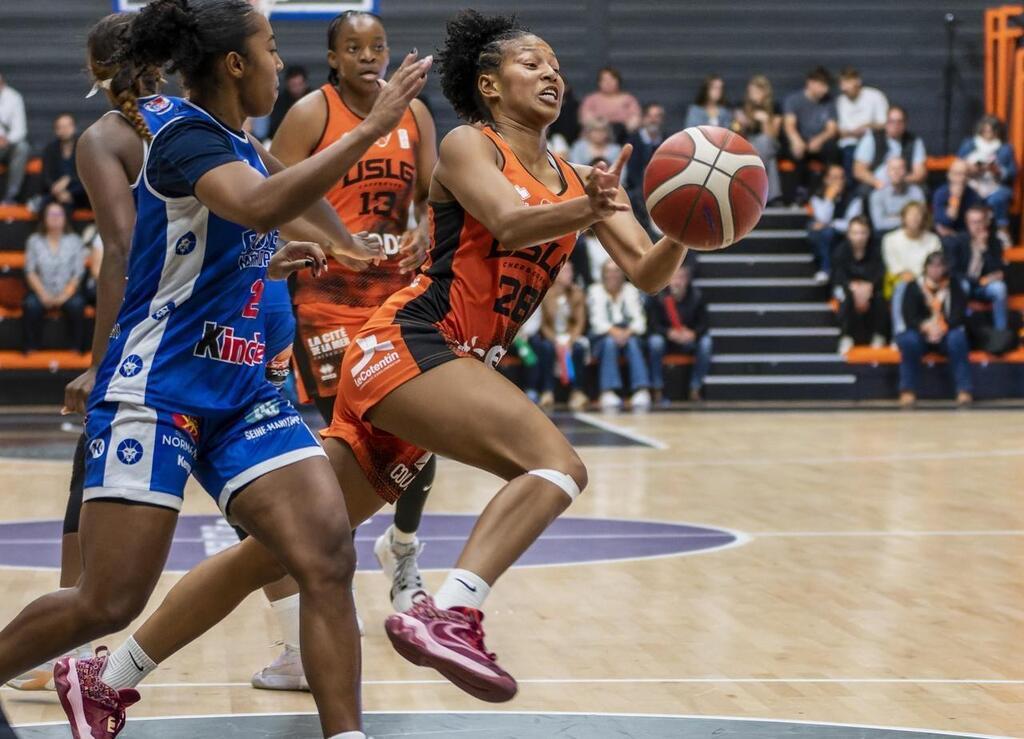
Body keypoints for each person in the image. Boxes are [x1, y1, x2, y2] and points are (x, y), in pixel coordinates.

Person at [85, 9, 691, 710]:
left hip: (440, 372)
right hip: (409, 343)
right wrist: (587, 209)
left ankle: (108, 678)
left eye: (555, 63)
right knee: (556, 464)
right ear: (489, 86)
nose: (551, 71)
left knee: (279, 552)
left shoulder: (583, 178)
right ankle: (448, 608)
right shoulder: (472, 146)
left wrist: (683, 224)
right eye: (532, 62)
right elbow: (511, 222)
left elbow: (647, 272)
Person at [0, 5, 429, 739]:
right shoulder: (182, 132)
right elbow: (259, 201)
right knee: (107, 600)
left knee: (325, 551)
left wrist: (347, 246)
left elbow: (273, 198)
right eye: (269, 48)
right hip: (157, 386)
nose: (278, 62)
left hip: (238, 391)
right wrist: (365, 128)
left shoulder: (239, 139)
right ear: (234, 64)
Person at [250, 8, 439, 691]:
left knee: (420, 447)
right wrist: (329, 240)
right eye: (354, 47)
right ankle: (331, 590)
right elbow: (268, 192)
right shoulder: (310, 113)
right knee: (343, 451)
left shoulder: (415, 117)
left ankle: (403, 549)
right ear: (333, 58)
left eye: (377, 45)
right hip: (327, 306)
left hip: (395, 304)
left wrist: (423, 230)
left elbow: (431, 198)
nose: (368, 56)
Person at [896, 251, 972, 407]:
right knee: (908, 340)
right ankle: (907, 391)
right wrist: (925, 327)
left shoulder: (954, 285)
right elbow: (908, 315)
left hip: (945, 332)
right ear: (925, 268)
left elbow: (959, 314)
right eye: (932, 265)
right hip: (921, 333)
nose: (935, 269)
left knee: (958, 338)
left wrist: (942, 327)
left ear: (945, 268)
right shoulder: (914, 286)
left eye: (939, 266)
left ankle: (964, 390)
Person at [21, 201, 87, 353]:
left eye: (59, 214)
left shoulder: (75, 241)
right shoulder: (34, 241)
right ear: (44, 218)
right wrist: (43, 294)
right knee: (30, 304)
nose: (55, 217)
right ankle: (31, 348)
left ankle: (76, 348)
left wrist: (64, 296)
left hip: (67, 291)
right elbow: (30, 271)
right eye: (51, 214)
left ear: (65, 218)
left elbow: (78, 273)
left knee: (77, 305)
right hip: (42, 290)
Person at [588, 260, 653, 410]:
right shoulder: (595, 290)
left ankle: (641, 389)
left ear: (622, 274)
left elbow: (640, 321)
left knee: (632, 342)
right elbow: (596, 322)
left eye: (616, 271)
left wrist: (627, 332)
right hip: (602, 336)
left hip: (628, 333)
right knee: (610, 343)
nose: (613, 275)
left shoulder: (631, 290)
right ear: (603, 275)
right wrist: (614, 332)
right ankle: (608, 391)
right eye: (609, 271)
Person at [646, 263, 712, 402]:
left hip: (689, 340)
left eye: (681, 277)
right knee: (655, 342)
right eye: (674, 277)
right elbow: (653, 324)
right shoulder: (659, 295)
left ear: (687, 280)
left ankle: (695, 387)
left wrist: (693, 334)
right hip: (667, 340)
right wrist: (668, 333)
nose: (677, 281)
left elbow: (704, 324)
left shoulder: (697, 296)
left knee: (706, 343)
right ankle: (657, 387)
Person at [530, 261, 588, 410]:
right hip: (552, 337)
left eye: (571, 271)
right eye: (566, 271)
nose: (570, 275)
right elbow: (543, 324)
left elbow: (579, 323)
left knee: (579, 349)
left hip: (570, 337)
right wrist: (555, 340)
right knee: (547, 348)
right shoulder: (546, 293)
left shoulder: (577, 293)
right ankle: (547, 391)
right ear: (557, 273)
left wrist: (569, 340)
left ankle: (578, 391)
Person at [882, 201, 941, 336]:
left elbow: (936, 263)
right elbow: (893, 266)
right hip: (900, 280)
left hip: (928, 280)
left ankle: (938, 329)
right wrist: (909, 276)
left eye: (918, 215)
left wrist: (922, 279)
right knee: (903, 286)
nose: (914, 218)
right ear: (903, 218)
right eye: (911, 215)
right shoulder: (890, 239)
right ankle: (899, 332)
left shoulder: (933, 240)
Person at [947, 205, 1008, 332]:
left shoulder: (994, 242)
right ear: (967, 223)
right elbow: (953, 272)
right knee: (962, 285)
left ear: (986, 222)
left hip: (984, 288)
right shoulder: (958, 241)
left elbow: (998, 272)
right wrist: (979, 281)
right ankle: (960, 329)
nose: (977, 226)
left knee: (1000, 288)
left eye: (980, 221)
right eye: (973, 222)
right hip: (966, 285)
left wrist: (984, 250)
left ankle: (1001, 333)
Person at [956, 116, 1016, 243]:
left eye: (992, 131)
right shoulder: (969, 144)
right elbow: (958, 164)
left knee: (999, 198)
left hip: (994, 184)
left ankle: (1002, 231)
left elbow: (1012, 171)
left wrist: (997, 170)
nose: (989, 134)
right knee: (963, 196)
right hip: (973, 183)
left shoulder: (1005, 148)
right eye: (986, 131)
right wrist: (971, 168)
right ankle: (965, 234)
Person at [831, 215, 886, 354]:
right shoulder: (841, 250)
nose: (859, 237)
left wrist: (869, 287)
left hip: (871, 288)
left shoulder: (876, 250)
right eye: (855, 233)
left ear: (869, 233)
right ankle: (846, 336)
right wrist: (852, 287)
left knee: (881, 297)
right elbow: (838, 276)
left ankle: (879, 334)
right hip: (848, 288)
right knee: (844, 296)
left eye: (863, 232)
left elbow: (880, 273)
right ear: (848, 234)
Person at [783, 66, 839, 201]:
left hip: (819, 142)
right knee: (795, 153)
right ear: (810, 83)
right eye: (822, 85)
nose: (825, 89)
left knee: (833, 151)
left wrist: (819, 140)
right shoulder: (794, 100)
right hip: (799, 139)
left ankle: (828, 193)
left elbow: (831, 129)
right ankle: (795, 194)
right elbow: (789, 125)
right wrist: (796, 141)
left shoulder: (829, 103)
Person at [807, 163, 863, 282]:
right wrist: (829, 199)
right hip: (825, 235)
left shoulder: (854, 198)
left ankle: (825, 269)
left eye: (841, 177)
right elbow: (821, 219)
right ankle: (824, 267)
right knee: (814, 230)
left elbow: (852, 224)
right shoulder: (817, 197)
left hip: (845, 234)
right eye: (834, 178)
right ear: (826, 180)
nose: (838, 182)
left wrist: (831, 224)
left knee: (826, 232)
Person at [733, 74, 782, 203]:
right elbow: (737, 133)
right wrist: (741, 123)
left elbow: (773, 136)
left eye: (757, 91)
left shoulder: (775, 107)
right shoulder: (742, 106)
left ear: (765, 92)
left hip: (769, 144)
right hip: (750, 144)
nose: (753, 95)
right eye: (751, 92)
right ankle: (772, 197)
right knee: (770, 160)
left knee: (764, 141)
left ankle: (752, 186)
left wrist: (765, 121)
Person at [852, 105, 926, 191]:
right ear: (886, 123)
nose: (896, 125)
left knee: (922, 190)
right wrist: (877, 182)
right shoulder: (872, 138)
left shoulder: (914, 141)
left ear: (905, 124)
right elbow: (859, 170)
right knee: (863, 191)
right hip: (877, 184)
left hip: (905, 184)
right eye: (892, 121)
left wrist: (900, 181)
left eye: (900, 122)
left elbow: (920, 173)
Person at [835, 67, 888, 177]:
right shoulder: (840, 101)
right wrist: (853, 133)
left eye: (847, 82)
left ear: (857, 81)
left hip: (874, 142)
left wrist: (867, 126)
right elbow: (840, 131)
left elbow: (885, 124)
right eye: (842, 83)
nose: (844, 87)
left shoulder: (875, 96)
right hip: (848, 146)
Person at [624, 102, 665, 235]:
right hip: (638, 188)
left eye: (657, 116)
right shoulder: (632, 140)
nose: (653, 119)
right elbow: (631, 172)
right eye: (649, 115)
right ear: (643, 118)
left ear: (662, 120)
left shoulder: (667, 140)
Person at [40, 113, 89, 212]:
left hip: (80, 192)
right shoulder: (50, 149)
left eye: (67, 126)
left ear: (74, 127)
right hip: (56, 192)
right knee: (45, 204)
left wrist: (68, 180)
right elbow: (46, 176)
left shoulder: (83, 147)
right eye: (61, 127)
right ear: (56, 130)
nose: (65, 130)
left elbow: (88, 175)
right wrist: (57, 191)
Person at [578, 66, 641, 138]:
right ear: (599, 82)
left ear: (618, 81)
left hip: (623, 136)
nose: (608, 82)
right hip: (595, 136)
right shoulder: (591, 100)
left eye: (612, 79)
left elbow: (635, 119)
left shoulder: (628, 99)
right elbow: (586, 119)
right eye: (604, 79)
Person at [868, 157, 924, 235]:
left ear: (906, 171)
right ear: (887, 172)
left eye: (900, 168)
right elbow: (879, 224)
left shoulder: (916, 192)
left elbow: (921, 218)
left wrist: (891, 217)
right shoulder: (877, 194)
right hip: (888, 234)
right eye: (893, 169)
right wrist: (907, 218)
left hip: (913, 233)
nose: (896, 172)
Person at [932, 158, 983, 242]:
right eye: (958, 174)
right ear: (949, 175)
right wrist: (955, 198)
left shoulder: (974, 196)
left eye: (965, 174)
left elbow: (975, 227)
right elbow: (944, 222)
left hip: (967, 240)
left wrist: (956, 235)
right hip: (945, 240)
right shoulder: (940, 193)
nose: (961, 178)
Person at [0, 72, 30, 204]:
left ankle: (11, 196)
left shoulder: (14, 97)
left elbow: (20, 130)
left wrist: (6, 140)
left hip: (7, 146)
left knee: (22, 148)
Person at [268, 64, 311, 139]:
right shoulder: (280, 101)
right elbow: (276, 126)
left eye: (299, 84)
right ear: (288, 84)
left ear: (305, 84)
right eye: (294, 85)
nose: (297, 88)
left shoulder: (313, 98)